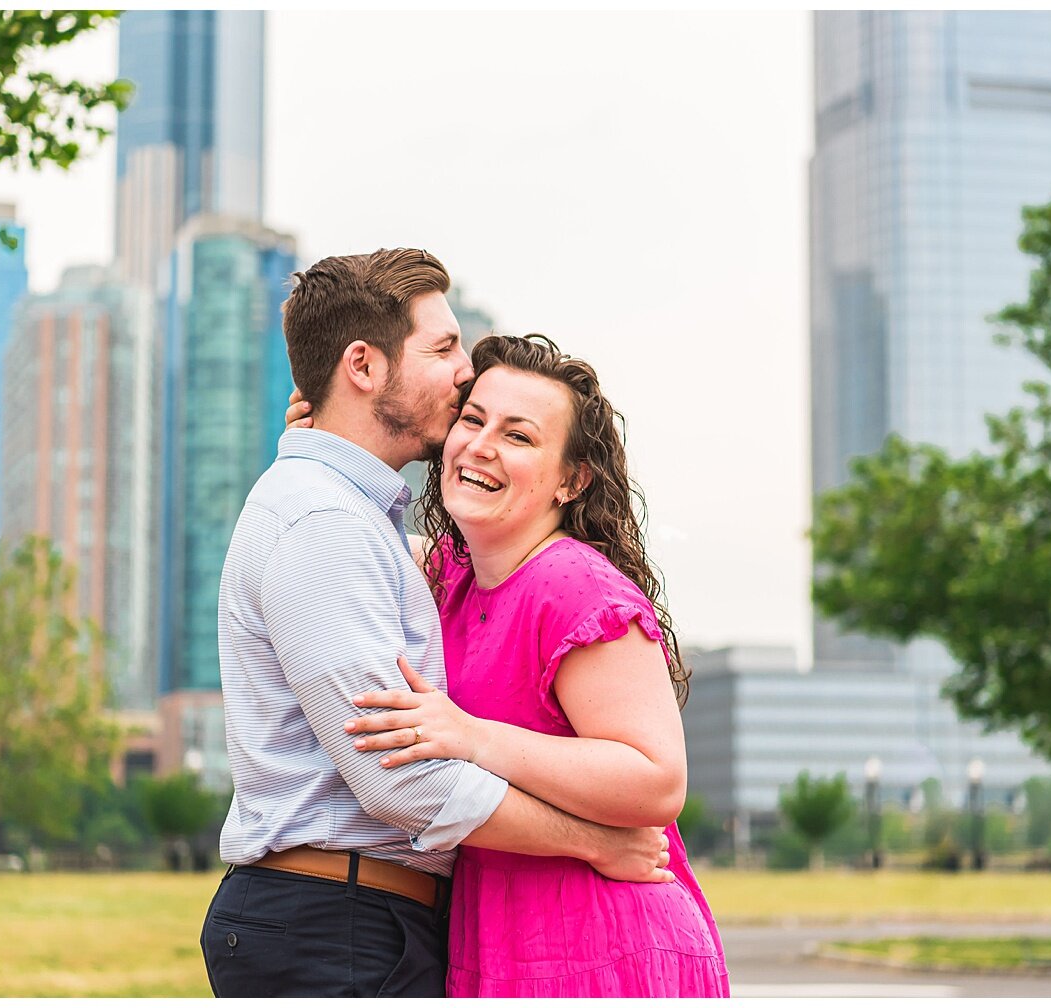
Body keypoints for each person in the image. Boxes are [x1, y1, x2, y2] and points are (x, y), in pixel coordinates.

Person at [202, 249, 674, 999]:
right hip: (337, 926)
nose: (463, 372)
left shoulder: (358, 521)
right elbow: (405, 783)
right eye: (444, 347)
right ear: (362, 365)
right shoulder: (324, 521)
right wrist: (592, 841)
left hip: (361, 921)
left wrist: (323, 435)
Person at [288, 334, 730, 996]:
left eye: (519, 437)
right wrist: (325, 442)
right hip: (501, 943)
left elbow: (656, 780)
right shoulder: (455, 579)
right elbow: (350, 534)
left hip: (608, 948)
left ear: (570, 480)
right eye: (473, 420)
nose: (482, 445)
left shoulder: (575, 585)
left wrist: (472, 736)